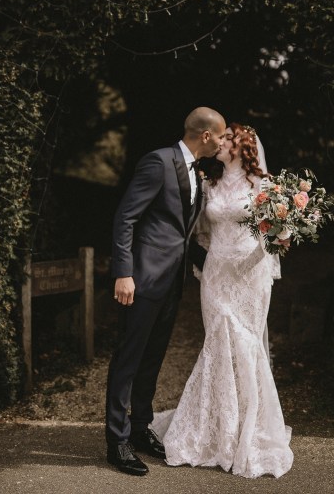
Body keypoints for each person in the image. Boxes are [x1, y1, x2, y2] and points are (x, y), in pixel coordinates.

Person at [153, 122, 294, 478]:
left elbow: (281, 231)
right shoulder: (208, 183)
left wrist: (281, 237)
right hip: (216, 275)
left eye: (229, 138)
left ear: (243, 145)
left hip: (251, 275)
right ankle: (213, 431)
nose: (222, 141)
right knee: (218, 342)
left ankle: (249, 430)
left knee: (247, 346)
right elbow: (197, 230)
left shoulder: (265, 185)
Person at [106, 107, 227, 476]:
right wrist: (123, 273)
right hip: (142, 279)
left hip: (172, 280)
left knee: (153, 357)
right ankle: (117, 442)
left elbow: (182, 230)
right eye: (220, 136)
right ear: (206, 135)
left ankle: (141, 428)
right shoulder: (159, 161)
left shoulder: (195, 169)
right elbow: (125, 217)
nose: (223, 142)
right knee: (128, 359)